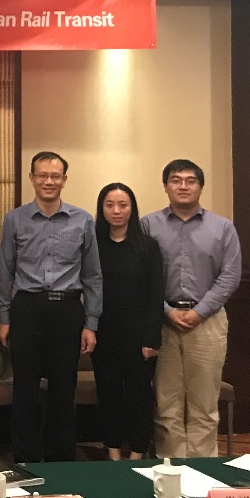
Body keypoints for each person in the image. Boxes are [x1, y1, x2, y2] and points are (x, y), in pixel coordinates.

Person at [0, 151, 102, 463]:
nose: (49, 181)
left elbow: (93, 276)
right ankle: (25, 458)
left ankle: (61, 459)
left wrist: (91, 323)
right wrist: (5, 317)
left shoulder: (83, 220)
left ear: (64, 180)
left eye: (55, 176)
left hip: (67, 311)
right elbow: (5, 271)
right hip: (27, 310)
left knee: (63, 389)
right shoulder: (15, 219)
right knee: (25, 389)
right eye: (42, 175)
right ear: (32, 178)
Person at [142, 160, 242, 459]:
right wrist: (165, 310)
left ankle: (203, 470)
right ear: (165, 186)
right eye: (176, 180)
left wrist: (201, 311)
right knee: (166, 404)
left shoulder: (222, 228)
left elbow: (230, 276)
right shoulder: (148, 225)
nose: (183, 186)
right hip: (162, 321)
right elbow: (140, 275)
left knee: (204, 404)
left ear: (200, 186)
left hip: (207, 321)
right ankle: (169, 469)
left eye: (190, 180)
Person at [93, 183, 164, 460]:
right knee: (108, 393)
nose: (116, 211)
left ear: (132, 209)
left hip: (139, 335)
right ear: (101, 209)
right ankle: (112, 452)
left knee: (139, 396)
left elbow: (156, 293)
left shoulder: (147, 246)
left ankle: (137, 452)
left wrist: (151, 337)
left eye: (123, 205)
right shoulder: (93, 246)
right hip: (103, 333)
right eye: (109, 205)